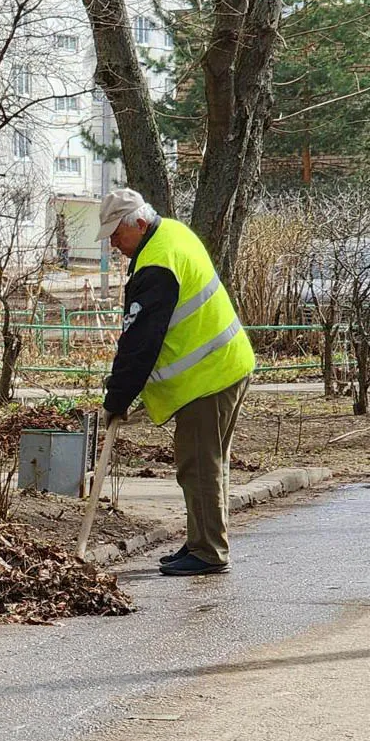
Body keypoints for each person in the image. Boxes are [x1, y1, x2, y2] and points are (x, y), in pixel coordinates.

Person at [96, 188, 255, 578]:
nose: (114, 244)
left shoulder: (157, 264)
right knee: (210, 465)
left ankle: (208, 551)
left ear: (138, 223)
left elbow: (140, 342)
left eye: (116, 234)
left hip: (207, 378)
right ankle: (203, 538)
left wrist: (117, 398)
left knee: (197, 466)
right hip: (226, 365)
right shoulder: (172, 233)